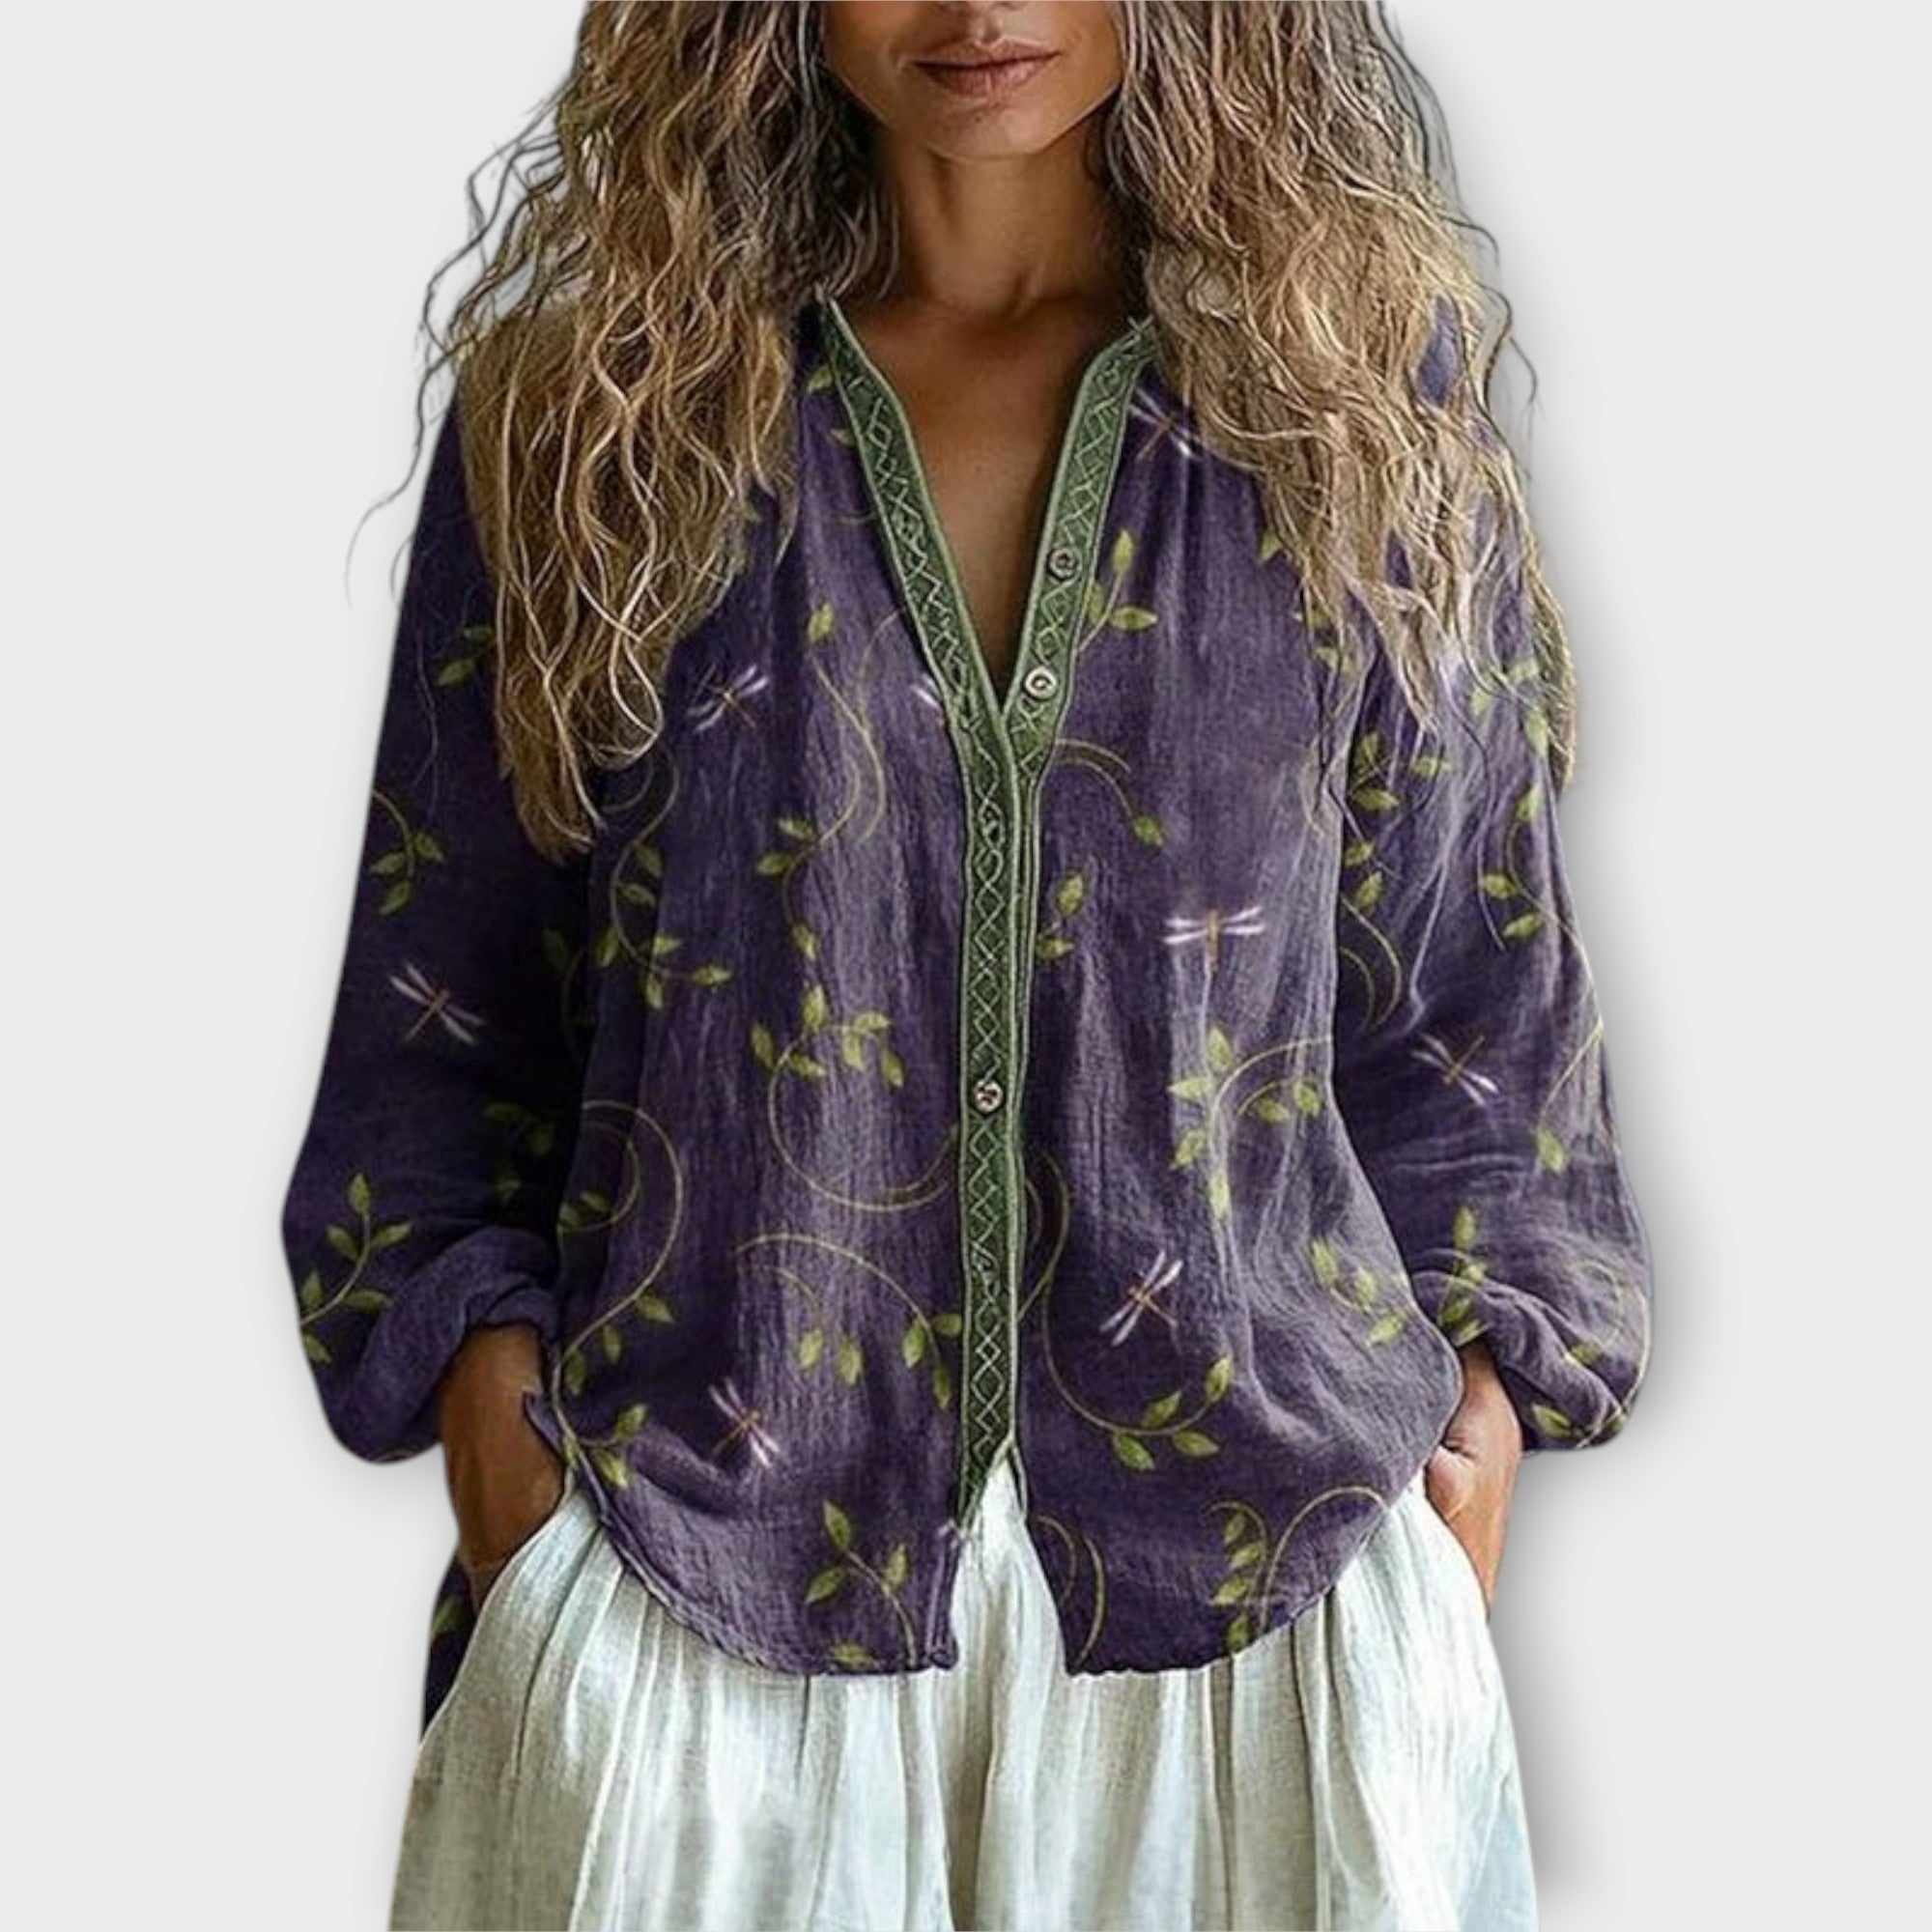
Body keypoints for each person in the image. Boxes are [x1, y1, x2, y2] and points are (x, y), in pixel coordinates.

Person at [279, 3, 1653, 1927]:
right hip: (703, 1588)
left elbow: (1475, 1007)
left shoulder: (1354, 403)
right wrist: (504, 1457)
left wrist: (1476, 1440)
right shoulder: (595, 416)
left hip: (1259, 1621)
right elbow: (444, 1003)